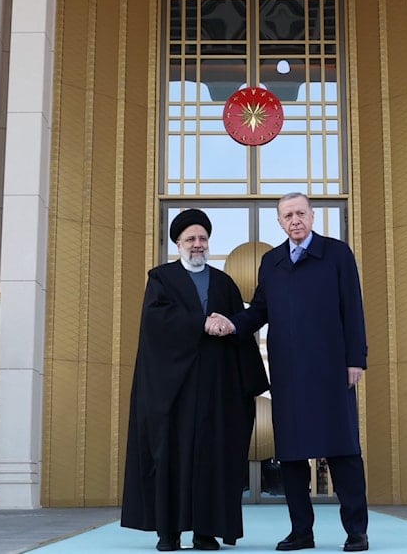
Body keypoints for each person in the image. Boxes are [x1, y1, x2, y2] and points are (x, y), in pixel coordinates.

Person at [209, 193, 370, 552]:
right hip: (289, 373)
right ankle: (302, 532)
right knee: (293, 455)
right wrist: (232, 324)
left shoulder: (337, 254)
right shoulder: (272, 262)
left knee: (343, 451)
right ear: (280, 223)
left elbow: (353, 307)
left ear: (312, 216)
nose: (295, 220)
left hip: (332, 370)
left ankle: (356, 530)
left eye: (300, 213)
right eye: (287, 216)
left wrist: (356, 358)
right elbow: (260, 309)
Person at [121, 208, 269, 551]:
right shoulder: (161, 279)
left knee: (213, 458)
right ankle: (169, 532)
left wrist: (229, 326)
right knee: (172, 457)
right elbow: (156, 324)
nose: (198, 244)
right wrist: (201, 323)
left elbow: (238, 325)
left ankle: (206, 531)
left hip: (218, 391)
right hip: (175, 391)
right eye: (191, 239)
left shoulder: (224, 283)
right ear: (178, 243)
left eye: (203, 238)